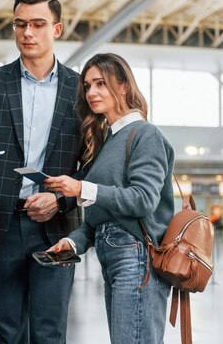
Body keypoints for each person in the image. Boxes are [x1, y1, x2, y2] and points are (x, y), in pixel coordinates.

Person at [0, 0, 84, 344]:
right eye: (20, 24)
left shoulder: (81, 89)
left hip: (57, 225)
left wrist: (62, 199)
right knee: (8, 332)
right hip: (3, 222)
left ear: (56, 30)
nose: (27, 32)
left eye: (38, 24)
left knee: (50, 331)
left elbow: (91, 163)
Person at [44, 53, 174, 344]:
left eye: (101, 83)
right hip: (114, 258)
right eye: (88, 85)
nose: (91, 92)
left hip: (137, 259)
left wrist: (81, 189)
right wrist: (73, 242)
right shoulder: (108, 143)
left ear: (124, 86)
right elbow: (99, 217)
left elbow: (142, 200)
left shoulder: (145, 135)